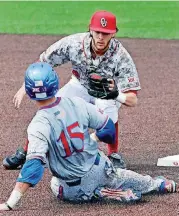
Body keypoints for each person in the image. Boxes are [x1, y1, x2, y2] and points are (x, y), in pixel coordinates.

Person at [0, 62, 177, 211]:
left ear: (30, 92)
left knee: (55, 184)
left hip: (74, 188)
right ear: (54, 83)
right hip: (102, 168)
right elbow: (109, 130)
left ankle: (99, 193)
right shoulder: (77, 103)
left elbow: (34, 167)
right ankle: (158, 185)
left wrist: (11, 202)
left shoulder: (37, 125)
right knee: (126, 178)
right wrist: (92, 140)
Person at [3, 10, 141, 170]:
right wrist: (24, 87)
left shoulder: (121, 56)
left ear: (114, 34)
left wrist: (116, 95)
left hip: (106, 91)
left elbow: (133, 98)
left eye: (106, 33)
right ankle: (26, 151)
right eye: (97, 32)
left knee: (107, 108)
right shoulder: (74, 43)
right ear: (90, 29)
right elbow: (44, 61)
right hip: (79, 85)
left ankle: (113, 154)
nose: (101, 37)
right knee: (50, 108)